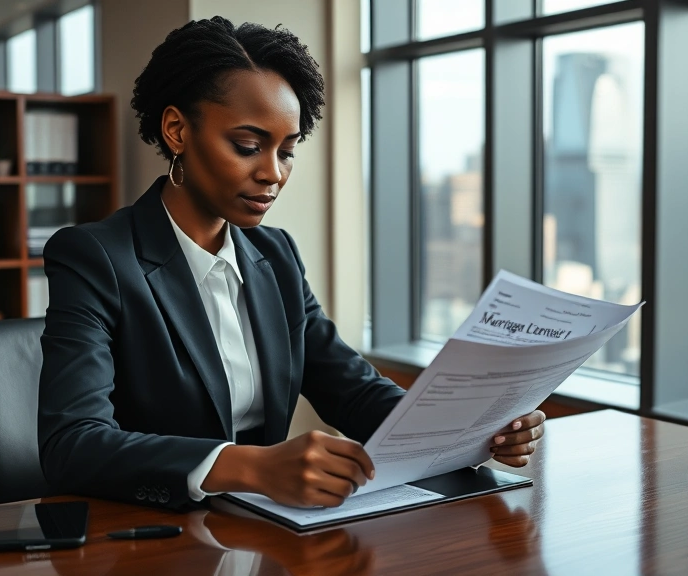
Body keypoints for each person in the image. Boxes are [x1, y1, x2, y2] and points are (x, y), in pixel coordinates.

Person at [37, 16, 545, 512]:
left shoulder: (274, 255)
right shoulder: (95, 257)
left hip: (265, 531)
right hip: (151, 539)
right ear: (176, 130)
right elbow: (73, 444)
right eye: (248, 146)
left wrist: (471, 431)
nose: (273, 173)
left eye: (287, 151)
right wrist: (250, 467)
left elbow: (352, 389)